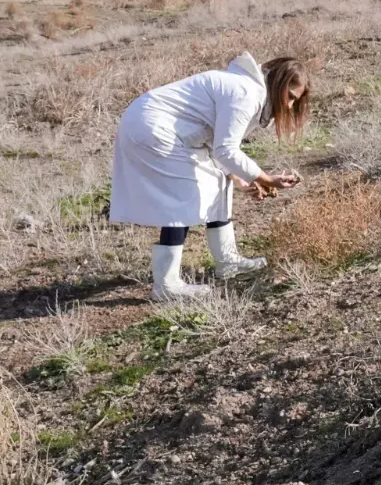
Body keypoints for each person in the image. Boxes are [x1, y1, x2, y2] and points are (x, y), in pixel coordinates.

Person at [110, 53, 308, 301]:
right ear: (278, 83)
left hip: (156, 125)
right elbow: (226, 149)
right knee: (182, 198)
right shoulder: (245, 93)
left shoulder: (248, 90)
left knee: (217, 182)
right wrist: (266, 179)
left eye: (294, 101)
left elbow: (218, 148)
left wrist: (240, 178)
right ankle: (167, 285)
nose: (289, 106)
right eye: (289, 97)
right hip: (153, 127)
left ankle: (227, 262)